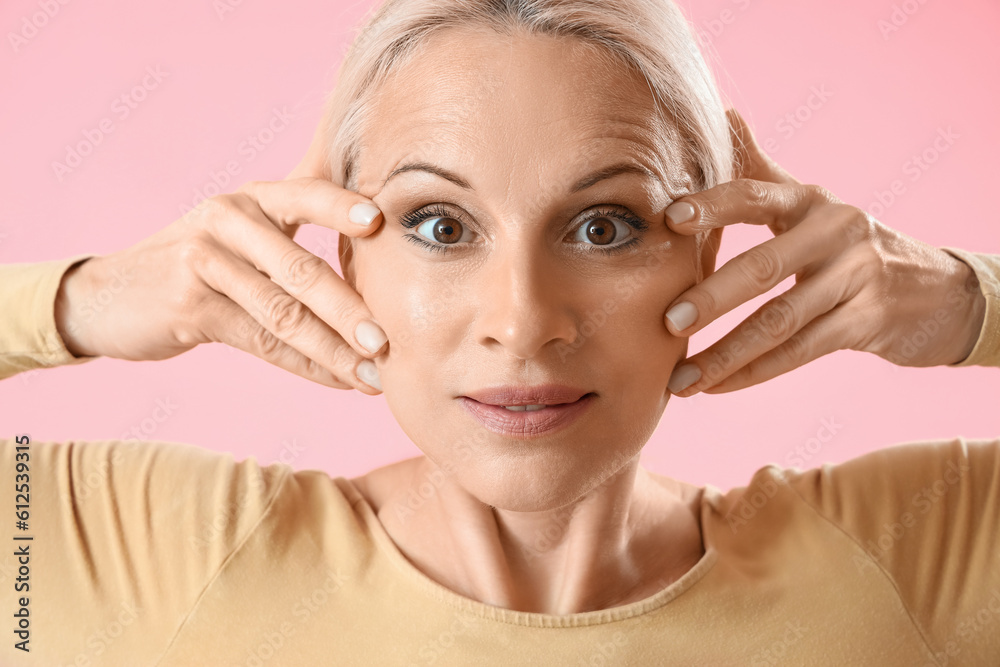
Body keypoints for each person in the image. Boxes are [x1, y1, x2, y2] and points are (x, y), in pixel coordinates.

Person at [2, 0, 998, 664]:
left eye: (603, 226)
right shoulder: (167, 561)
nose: (523, 322)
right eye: (440, 226)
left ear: (710, 251)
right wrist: (77, 302)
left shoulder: (904, 560)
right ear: (346, 255)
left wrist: (964, 303)